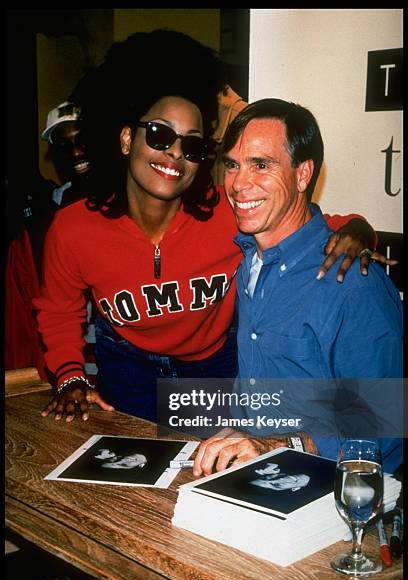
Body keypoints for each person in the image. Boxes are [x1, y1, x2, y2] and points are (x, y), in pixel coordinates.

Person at [34, 35, 387, 424]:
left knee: (204, 470)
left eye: (193, 147)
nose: (174, 153)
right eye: (160, 135)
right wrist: (69, 377)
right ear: (126, 138)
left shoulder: (228, 213)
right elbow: (58, 311)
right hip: (127, 366)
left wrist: (358, 228)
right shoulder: (74, 227)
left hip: (208, 373)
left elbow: (307, 222)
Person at [193, 98, 402, 477]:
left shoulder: (352, 280)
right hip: (250, 475)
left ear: (303, 175)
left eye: (261, 165)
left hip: (335, 494)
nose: (239, 184)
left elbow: (382, 432)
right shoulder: (247, 260)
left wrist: (275, 446)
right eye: (232, 165)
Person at [41, 101, 91, 208]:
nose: (76, 153)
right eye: (65, 146)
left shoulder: (126, 189)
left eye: (81, 140)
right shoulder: (59, 199)